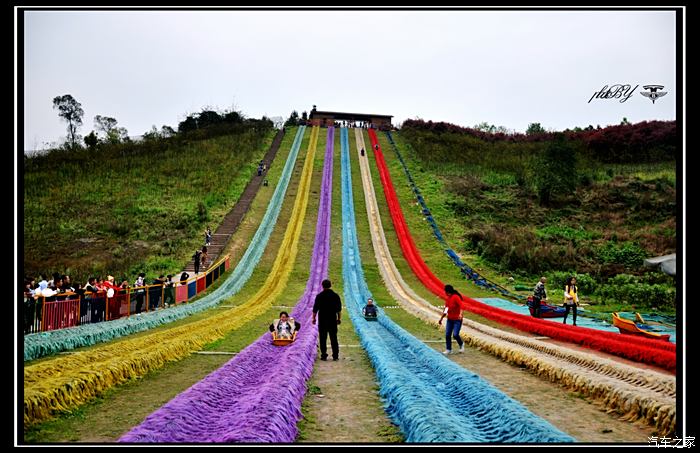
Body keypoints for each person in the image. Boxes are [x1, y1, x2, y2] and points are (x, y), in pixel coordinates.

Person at [312, 279, 342, 361]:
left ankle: (324, 355)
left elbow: (315, 309)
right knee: (333, 338)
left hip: (322, 319)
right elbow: (339, 309)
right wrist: (339, 318)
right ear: (330, 285)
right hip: (332, 319)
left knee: (323, 338)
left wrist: (313, 318)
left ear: (322, 286)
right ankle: (335, 355)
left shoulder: (319, 296)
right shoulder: (335, 296)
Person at [438, 284, 465, 354]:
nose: (444, 293)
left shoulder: (455, 297)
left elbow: (461, 305)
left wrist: (460, 314)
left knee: (455, 334)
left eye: (445, 291)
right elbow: (446, 309)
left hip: (457, 320)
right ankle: (448, 349)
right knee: (447, 334)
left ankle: (461, 344)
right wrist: (441, 318)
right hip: (450, 319)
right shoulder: (448, 298)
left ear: (447, 291)